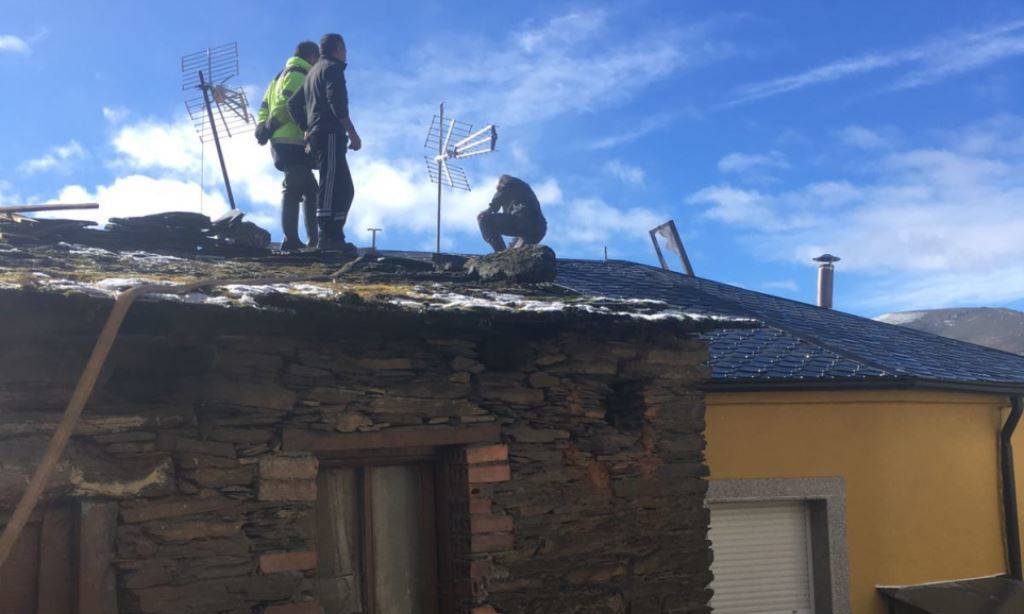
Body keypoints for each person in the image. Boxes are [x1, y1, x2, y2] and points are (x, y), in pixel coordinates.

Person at [287, 33, 361, 252]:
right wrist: (352, 132)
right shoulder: (332, 68)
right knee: (330, 183)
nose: (346, 53)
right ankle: (326, 236)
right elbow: (337, 102)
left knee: (345, 188)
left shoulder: (313, 72)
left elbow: (293, 104)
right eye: (344, 48)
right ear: (337, 48)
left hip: (321, 134)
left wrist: (306, 128)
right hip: (329, 133)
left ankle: (335, 235)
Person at [256, 41, 321, 252]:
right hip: (292, 139)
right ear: (312, 56)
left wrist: (262, 126)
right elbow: (288, 105)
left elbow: (264, 106)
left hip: (281, 140)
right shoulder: (299, 74)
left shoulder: (277, 78)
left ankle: (313, 241)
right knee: (295, 185)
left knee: (311, 189)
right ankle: (291, 239)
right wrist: (270, 126)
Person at [477, 175, 547, 252]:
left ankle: (499, 253)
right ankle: (502, 256)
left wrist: (490, 209)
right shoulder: (512, 200)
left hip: (528, 223)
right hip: (536, 230)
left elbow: (506, 186)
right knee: (512, 252)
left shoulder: (508, 181)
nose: (498, 191)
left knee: (484, 219)